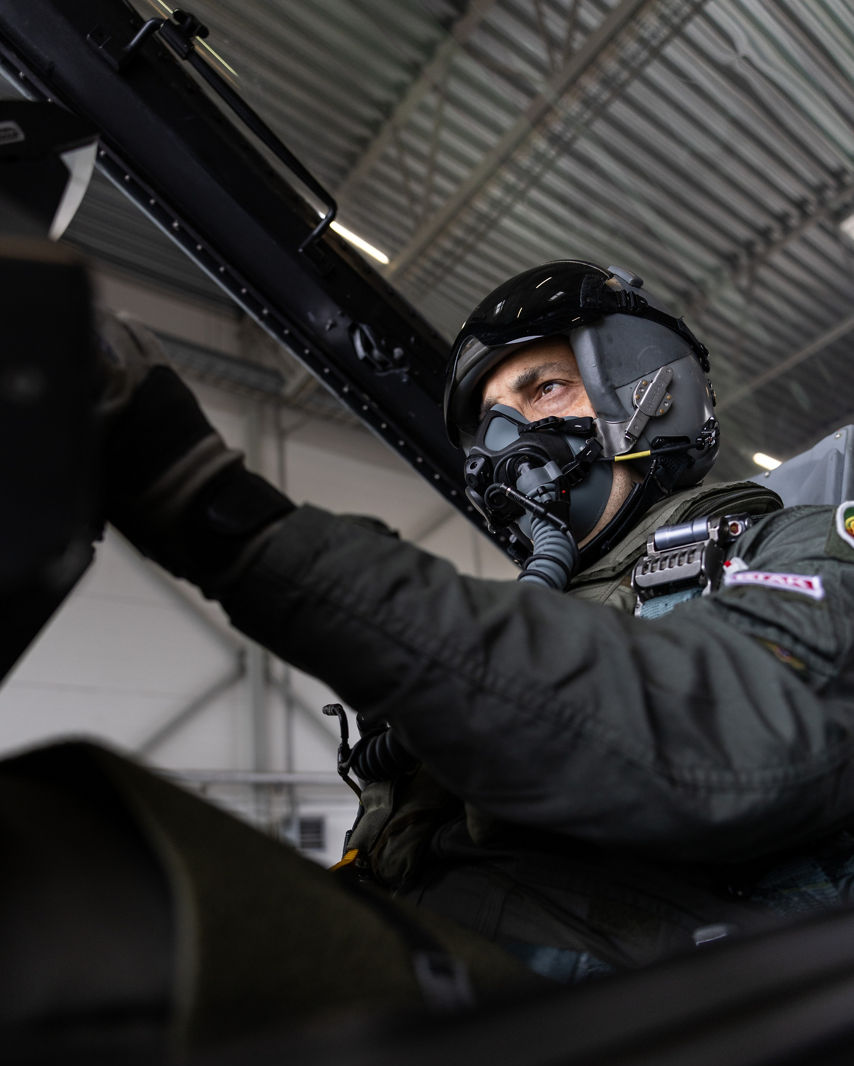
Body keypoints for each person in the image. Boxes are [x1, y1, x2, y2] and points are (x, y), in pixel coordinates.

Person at [98, 259, 854, 993]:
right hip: (435, 994)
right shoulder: (535, 613)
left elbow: (735, 735)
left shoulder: (788, 547)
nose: (503, 444)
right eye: (489, 422)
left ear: (651, 396)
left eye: (545, 389)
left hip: (652, 1029)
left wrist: (221, 512)